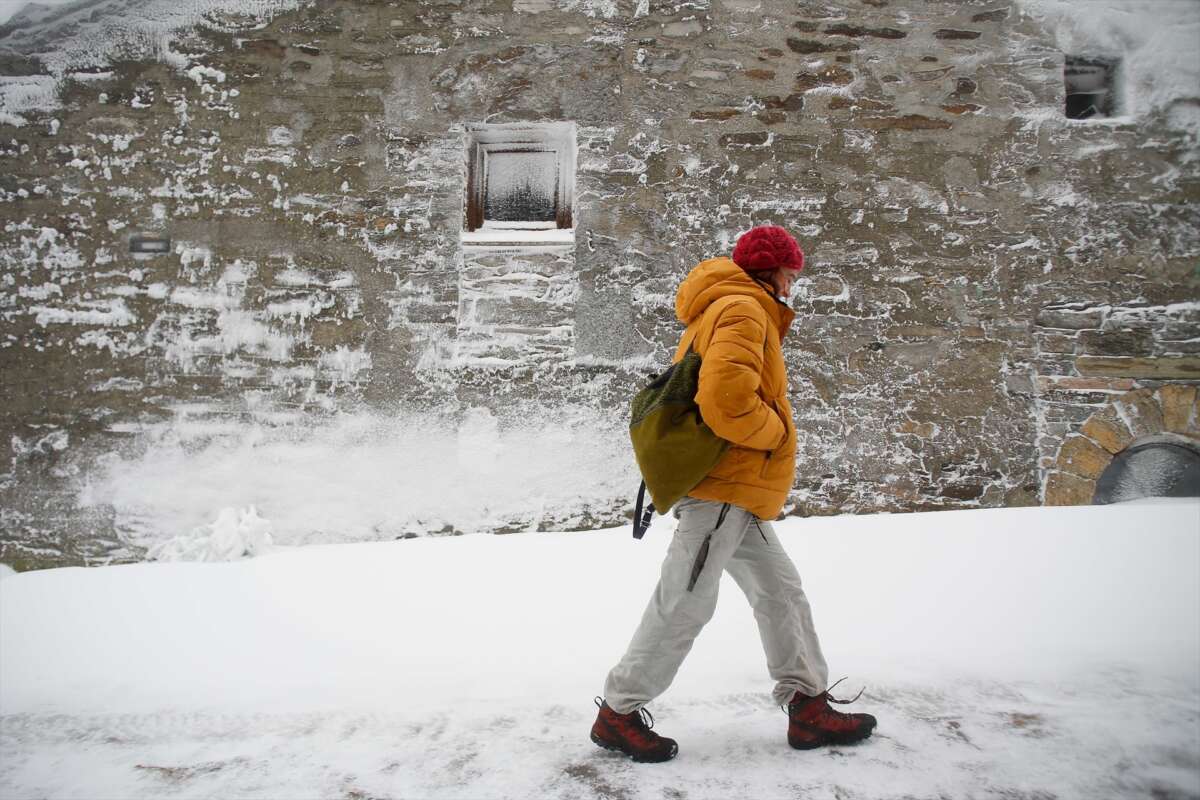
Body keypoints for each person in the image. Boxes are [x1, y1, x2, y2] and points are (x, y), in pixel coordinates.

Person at [590, 225, 876, 762]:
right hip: (724, 489)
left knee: (781, 590)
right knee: (685, 600)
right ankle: (618, 713)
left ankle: (807, 705)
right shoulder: (744, 309)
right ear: (772, 271)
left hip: (736, 493)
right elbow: (725, 400)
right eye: (791, 273)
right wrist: (778, 434)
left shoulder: (728, 306)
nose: (794, 284)